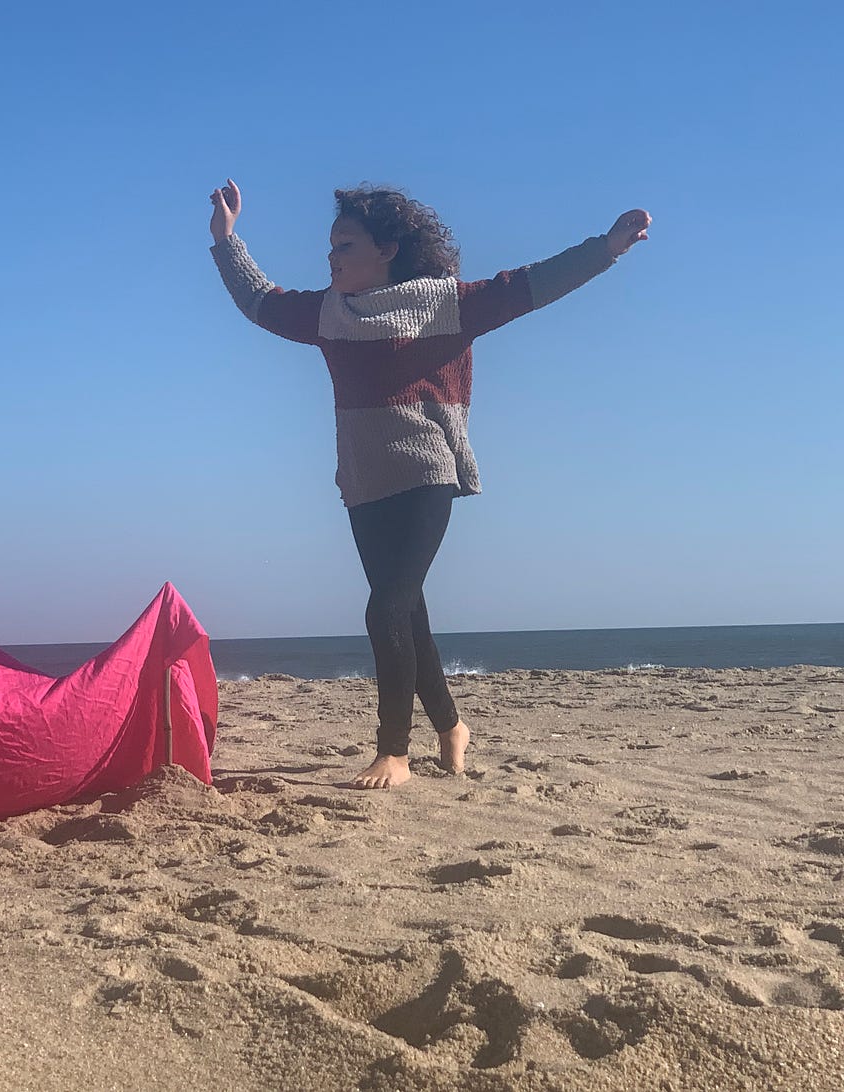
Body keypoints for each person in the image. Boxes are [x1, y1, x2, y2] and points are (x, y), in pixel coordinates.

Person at [208, 179, 650, 789]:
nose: (331, 257)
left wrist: (607, 247)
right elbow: (259, 300)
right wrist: (226, 239)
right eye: (330, 246)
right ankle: (451, 726)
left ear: (387, 249)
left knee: (385, 605)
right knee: (407, 613)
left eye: (344, 245)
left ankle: (394, 751)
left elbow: (531, 285)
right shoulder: (330, 313)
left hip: (426, 469)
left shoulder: (447, 303)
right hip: (363, 479)